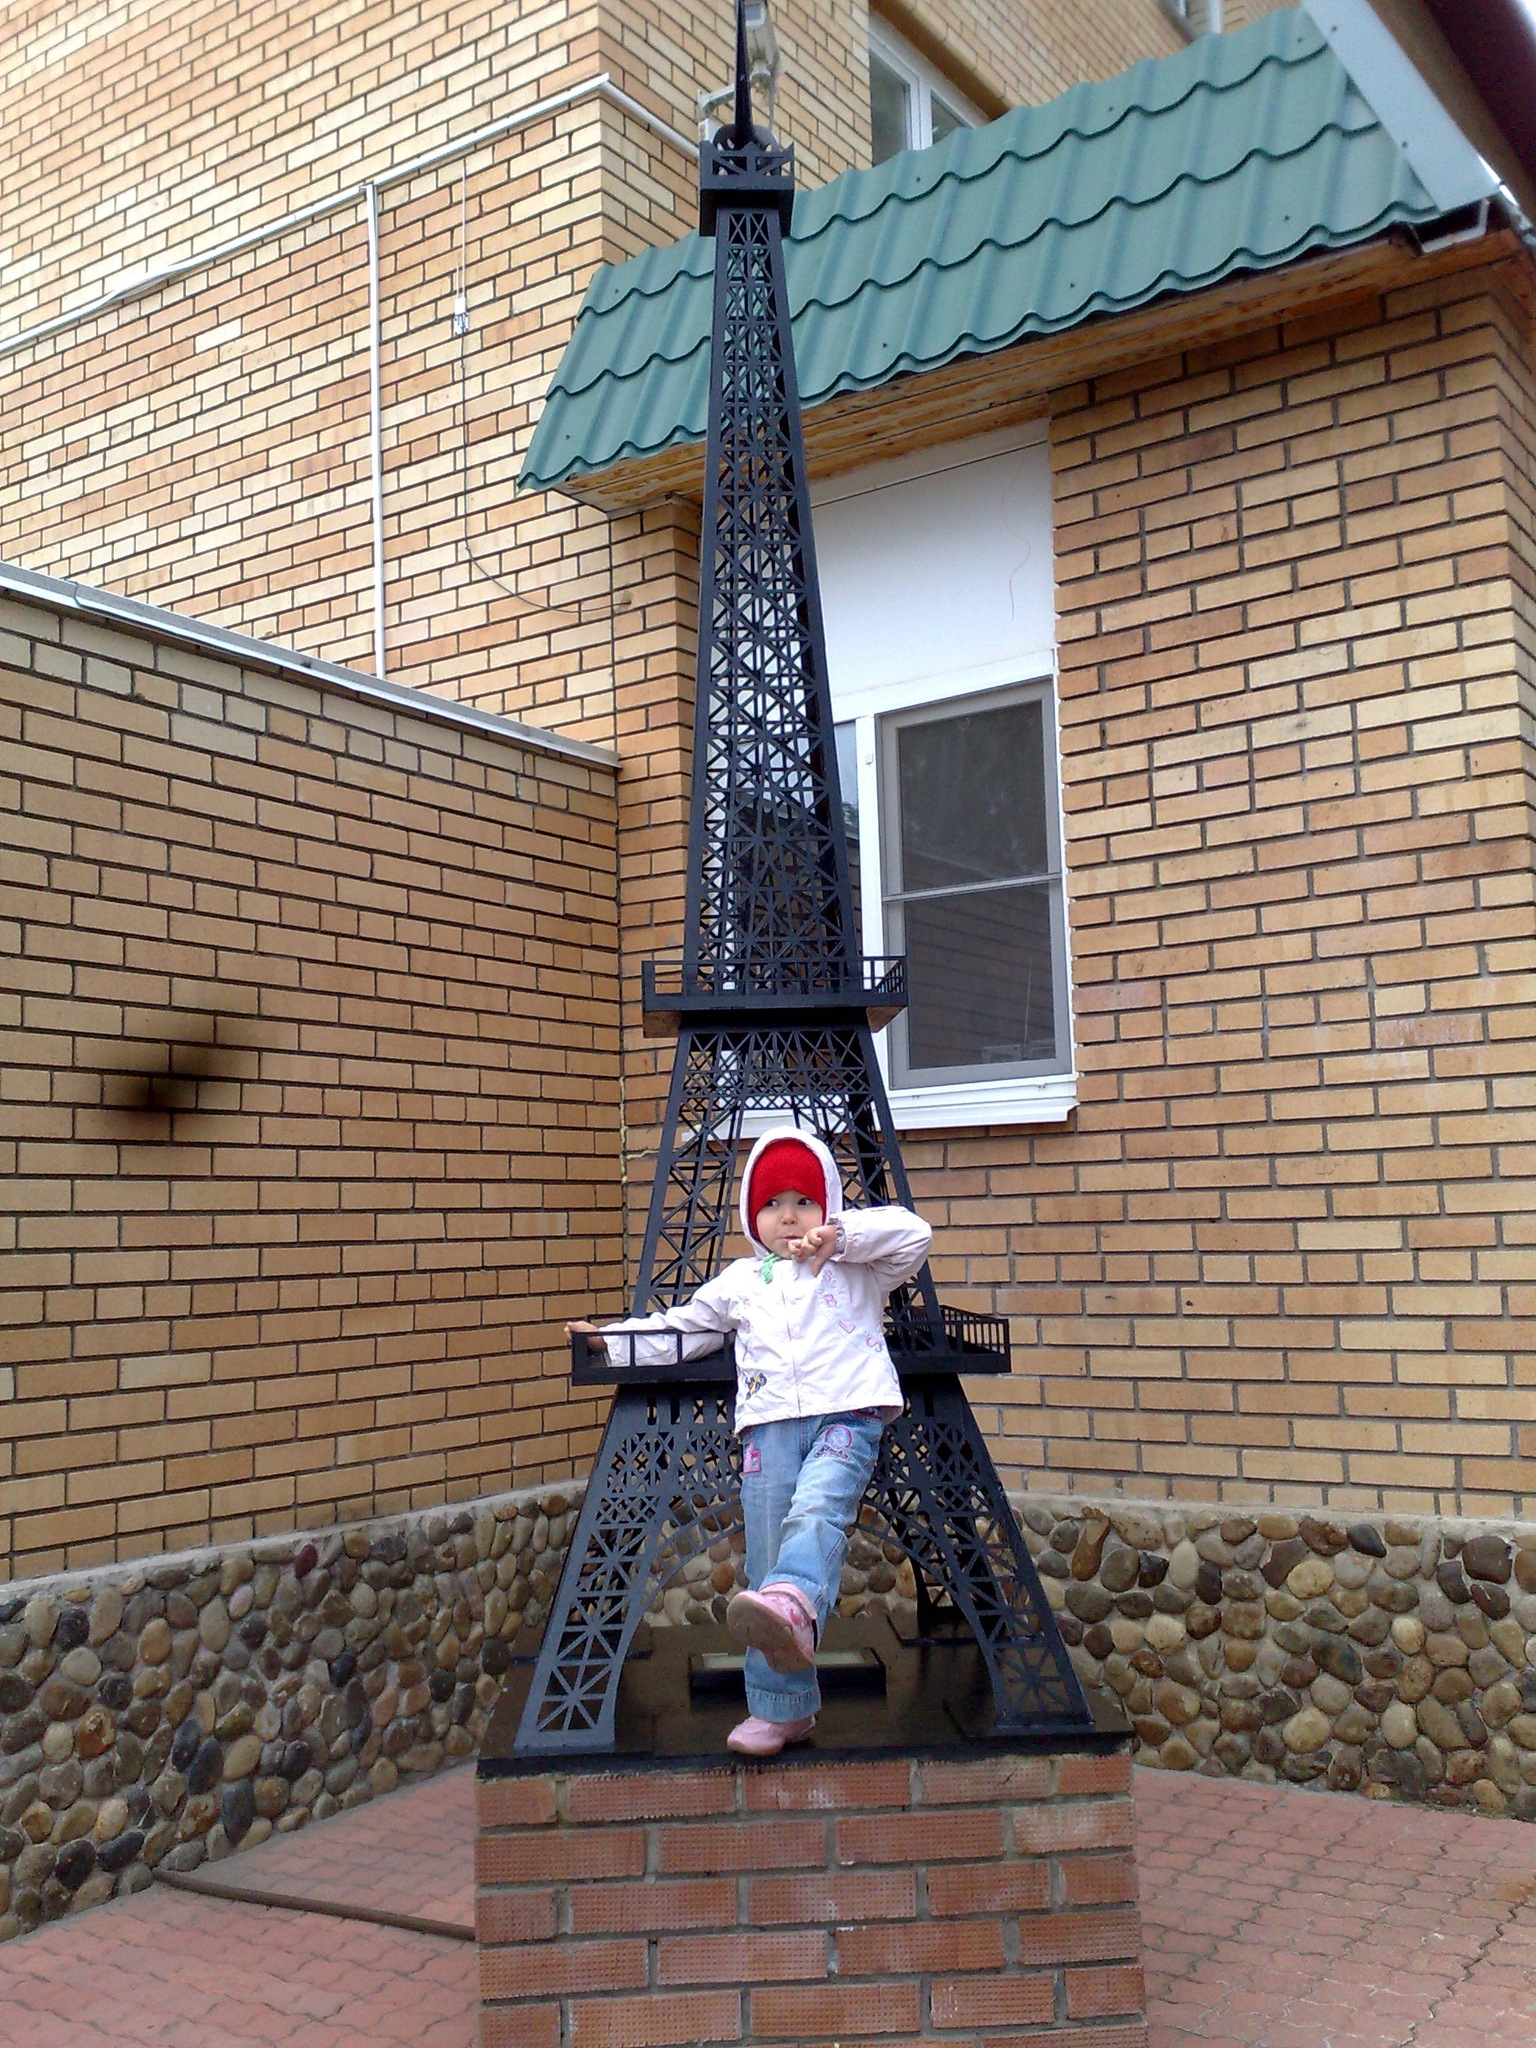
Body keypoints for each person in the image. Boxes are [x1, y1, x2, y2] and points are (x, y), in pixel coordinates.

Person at [566, 1125, 931, 1756]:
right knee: (765, 1571)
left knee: (816, 1514)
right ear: (749, 1216)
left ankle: (794, 1602)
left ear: (828, 1205)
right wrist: (610, 1341)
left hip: (846, 1416)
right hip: (768, 1432)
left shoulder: (859, 1266)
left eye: (804, 1202)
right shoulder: (741, 1280)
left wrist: (841, 1236)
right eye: (771, 1204)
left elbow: (914, 1234)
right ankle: (783, 1709)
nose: (788, 1217)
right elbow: (682, 1329)